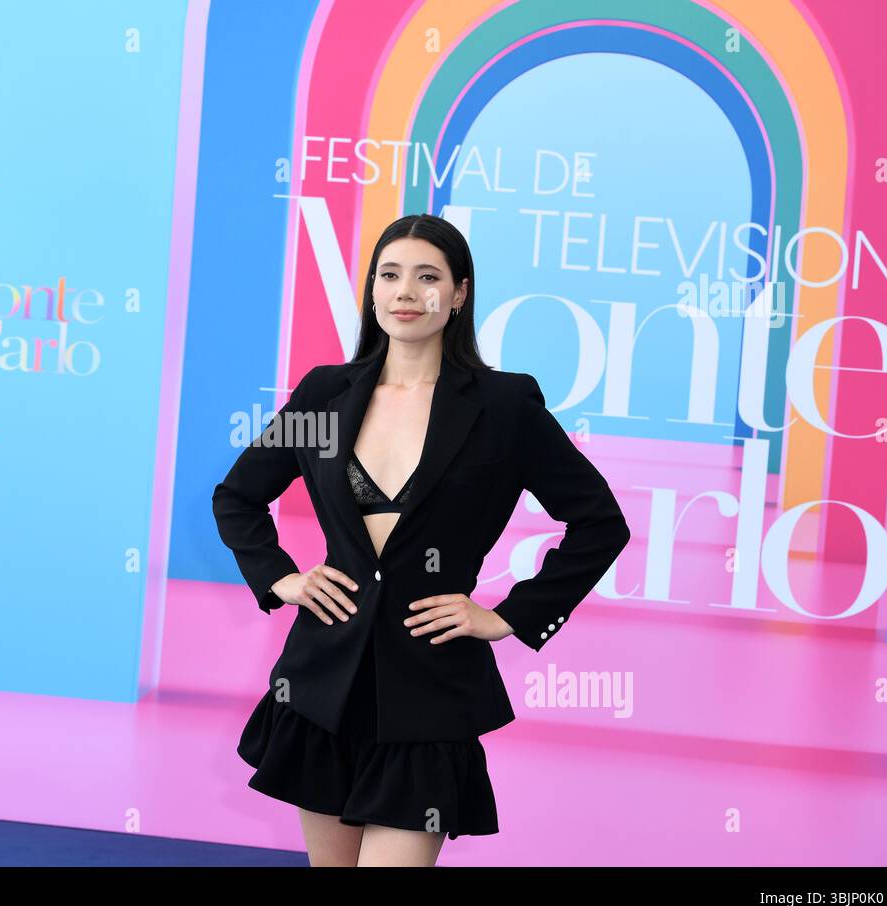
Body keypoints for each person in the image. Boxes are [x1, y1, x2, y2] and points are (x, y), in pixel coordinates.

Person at [213, 213, 631, 866]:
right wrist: (281, 578)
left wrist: (508, 616)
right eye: (390, 275)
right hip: (323, 684)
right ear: (373, 291)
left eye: (427, 277)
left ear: (459, 294)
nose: (406, 291)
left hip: (428, 693)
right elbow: (237, 496)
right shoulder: (326, 395)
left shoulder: (502, 407)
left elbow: (600, 523)